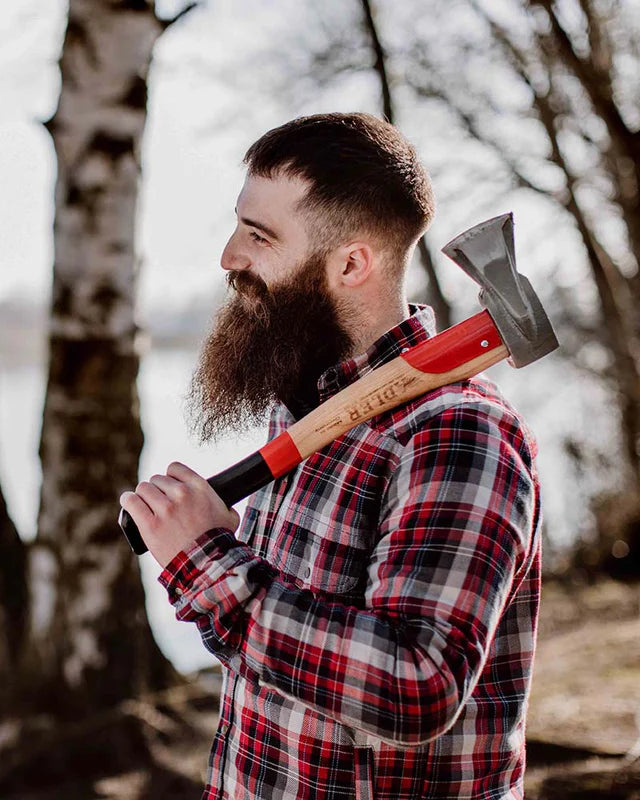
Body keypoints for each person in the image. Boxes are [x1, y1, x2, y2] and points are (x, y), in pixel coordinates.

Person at [120, 112, 542, 800]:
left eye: (258, 236)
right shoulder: (306, 407)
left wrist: (207, 565)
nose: (229, 256)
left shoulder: (457, 435)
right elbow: (281, 679)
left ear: (351, 263)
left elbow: (417, 687)